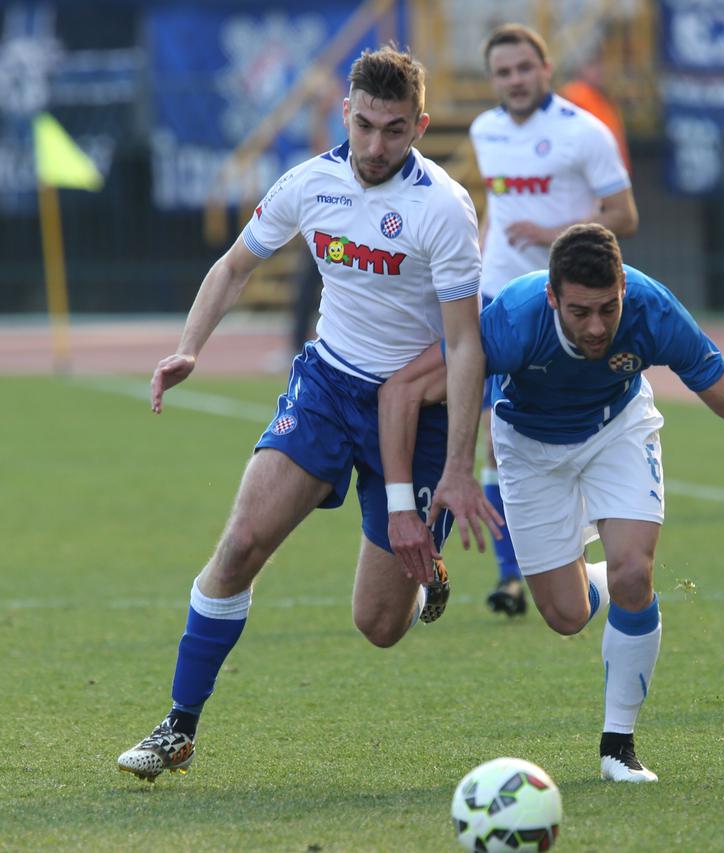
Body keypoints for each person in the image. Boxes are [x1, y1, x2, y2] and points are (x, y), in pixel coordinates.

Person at [116, 44, 498, 781]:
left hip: (414, 410)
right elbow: (234, 265)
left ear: (419, 126)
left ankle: (426, 571)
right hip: (327, 387)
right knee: (239, 545)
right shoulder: (309, 183)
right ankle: (179, 725)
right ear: (343, 113)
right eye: (364, 125)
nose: (377, 145)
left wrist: (457, 469)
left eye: (394, 129)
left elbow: (464, 346)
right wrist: (189, 347)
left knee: (378, 626)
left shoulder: (444, 208)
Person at [380, 223, 724, 780]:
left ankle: (618, 746)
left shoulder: (652, 310)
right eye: (579, 312)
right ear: (552, 298)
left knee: (636, 570)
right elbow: (402, 389)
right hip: (530, 447)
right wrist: (416, 494)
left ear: (623, 290)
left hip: (618, 429)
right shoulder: (515, 319)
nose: (596, 327)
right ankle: (606, 578)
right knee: (566, 616)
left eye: (608, 309)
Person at [469, 23, 639, 616]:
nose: (514, 80)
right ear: (492, 79)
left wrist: (554, 237)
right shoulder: (484, 130)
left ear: (544, 69)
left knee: (557, 437)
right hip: (498, 301)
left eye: (523, 68)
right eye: (502, 72)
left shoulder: (583, 132)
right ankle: (510, 573)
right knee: (495, 439)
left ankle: (569, 557)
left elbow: (625, 214)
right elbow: (499, 206)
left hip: (562, 309)